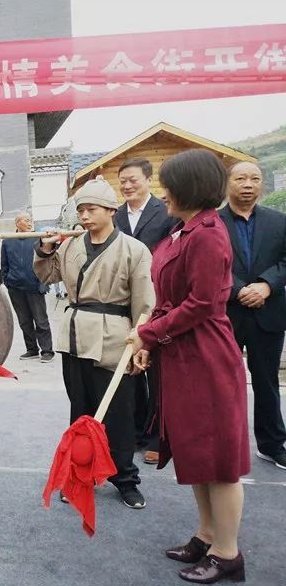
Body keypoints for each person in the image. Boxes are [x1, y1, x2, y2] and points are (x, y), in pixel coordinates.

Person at [129, 150, 249, 583]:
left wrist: (148, 333)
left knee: (218, 458)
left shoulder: (209, 235)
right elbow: (166, 299)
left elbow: (201, 304)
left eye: (169, 185)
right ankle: (206, 535)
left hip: (206, 356)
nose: (164, 194)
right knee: (195, 451)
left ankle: (227, 553)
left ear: (190, 188)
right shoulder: (182, 231)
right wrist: (151, 339)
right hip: (179, 352)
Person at [35, 177, 154, 510]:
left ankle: (125, 479)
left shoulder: (134, 249)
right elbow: (47, 276)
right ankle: (79, 475)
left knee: (119, 413)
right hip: (74, 336)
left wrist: (141, 341)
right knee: (81, 411)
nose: (85, 216)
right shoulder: (72, 245)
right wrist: (45, 250)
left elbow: (145, 304)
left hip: (115, 338)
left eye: (92, 209)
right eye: (81, 210)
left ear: (111, 210)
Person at [219, 160, 286, 471]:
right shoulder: (213, 223)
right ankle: (222, 444)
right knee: (221, 383)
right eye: (241, 178)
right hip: (226, 314)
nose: (248, 184)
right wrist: (239, 288)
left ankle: (272, 444)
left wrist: (267, 286)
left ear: (262, 184)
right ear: (228, 183)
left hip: (268, 311)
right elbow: (210, 264)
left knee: (267, 381)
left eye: (255, 179)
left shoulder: (279, 221)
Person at [114, 158, 179, 465]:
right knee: (128, 367)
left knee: (155, 370)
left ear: (148, 180)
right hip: (124, 300)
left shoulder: (165, 213)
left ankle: (158, 436)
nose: (127, 185)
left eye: (133, 180)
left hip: (157, 298)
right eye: (122, 181)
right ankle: (136, 430)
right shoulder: (114, 216)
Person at [2, 212, 54, 362]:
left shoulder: (38, 238)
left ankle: (47, 351)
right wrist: (8, 280)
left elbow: (45, 261)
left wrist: (43, 282)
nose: (30, 222)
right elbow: (4, 264)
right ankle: (31, 349)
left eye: (31, 220)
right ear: (17, 223)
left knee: (41, 320)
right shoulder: (8, 241)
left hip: (35, 286)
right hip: (15, 287)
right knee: (24, 321)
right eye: (26, 220)